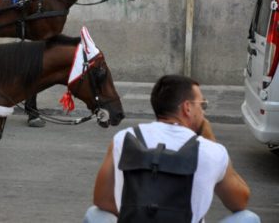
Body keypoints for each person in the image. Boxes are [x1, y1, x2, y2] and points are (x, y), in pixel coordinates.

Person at [85, 75, 260, 223]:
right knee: (248, 218)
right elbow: (240, 202)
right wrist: (211, 139)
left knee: (94, 214)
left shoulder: (123, 138)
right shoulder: (210, 150)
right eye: (202, 105)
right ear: (187, 107)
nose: (203, 112)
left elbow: (102, 200)